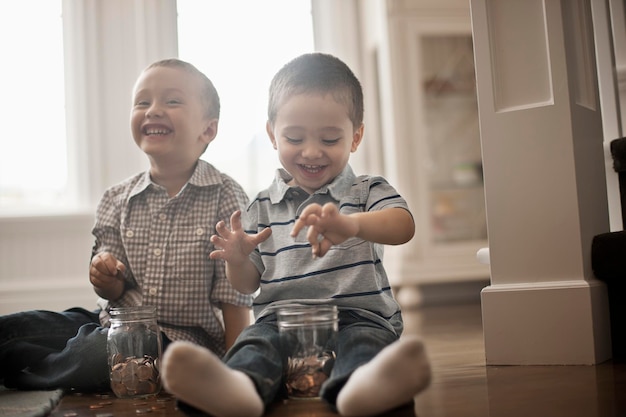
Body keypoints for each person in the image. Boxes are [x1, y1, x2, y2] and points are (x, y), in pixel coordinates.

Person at [161, 52, 431, 417]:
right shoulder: (259, 207)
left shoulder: (367, 191)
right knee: (255, 344)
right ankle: (239, 390)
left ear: (356, 136)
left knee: (367, 345)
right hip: (281, 319)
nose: (311, 151)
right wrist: (238, 259)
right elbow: (246, 285)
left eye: (330, 138)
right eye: (294, 137)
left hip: (359, 315)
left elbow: (403, 225)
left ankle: (363, 391)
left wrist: (352, 225)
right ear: (273, 134)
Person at [0, 58, 252, 391]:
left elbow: (234, 297)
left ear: (208, 129)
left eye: (172, 101)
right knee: (20, 326)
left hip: (176, 344)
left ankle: (24, 369)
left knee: (95, 352)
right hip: (109, 320)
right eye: (142, 102)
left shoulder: (225, 196)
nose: (153, 110)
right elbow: (111, 291)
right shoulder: (116, 198)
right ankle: (27, 353)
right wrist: (104, 274)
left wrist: (235, 376)